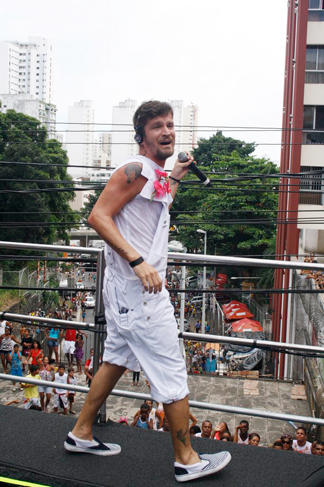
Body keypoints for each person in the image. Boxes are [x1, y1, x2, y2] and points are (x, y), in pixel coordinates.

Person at [64, 100, 231, 482]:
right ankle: (187, 459)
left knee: (116, 358)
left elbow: (158, 201)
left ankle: (82, 432)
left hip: (128, 294)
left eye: (170, 124)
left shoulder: (153, 175)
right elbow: (97, 217)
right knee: (172, 373)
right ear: (142, 136)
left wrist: (177, 176)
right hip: (140, 292)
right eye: (157, 126)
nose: (168, 131)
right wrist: (138, 261)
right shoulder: (133, 169)